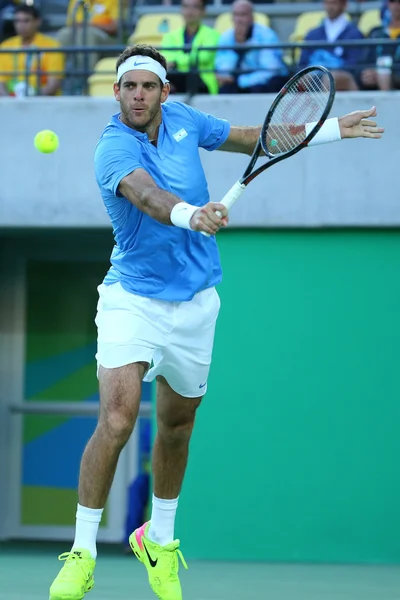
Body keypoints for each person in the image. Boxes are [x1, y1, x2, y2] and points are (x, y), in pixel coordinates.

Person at [48, 43, 384, 600]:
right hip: (133, 300)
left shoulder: (185, 121)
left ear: (164, 93)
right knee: (118, 416)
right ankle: (82, 552)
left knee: (178, 426)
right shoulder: (111, 148)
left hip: (197, 302)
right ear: (116, 92)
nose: (138, 95)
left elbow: (255, 138)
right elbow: (149, 197)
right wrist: (192, 214)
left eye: (148, 86)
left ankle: (160, 539)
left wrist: (333, 131)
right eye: (128, 86)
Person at [215, 0, 288, 94]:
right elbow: (224, 72)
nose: (239, 19)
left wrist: (240, 81)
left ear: (252, 17)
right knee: (226, 89)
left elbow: (269, 71)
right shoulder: (226, 37)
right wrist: (238, 47)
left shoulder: (266, 35)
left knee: (262, 87)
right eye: (236, 15)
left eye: (243, 14)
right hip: (239, 81)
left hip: (261, 82)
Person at [299, 0, 364, 91]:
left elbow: (353, 65)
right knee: (302, 79)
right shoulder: (312, 34)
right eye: (327, 3)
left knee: (330, 78)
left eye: (334, 3)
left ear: (344, 5)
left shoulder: (355, 34)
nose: (330, 7)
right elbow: (303, 63)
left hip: (342, 78)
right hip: (314, 77)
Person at [0, 4, 64, 97]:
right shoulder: (5, 47)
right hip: (12, 103)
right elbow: (1, 83)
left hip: (43, 102)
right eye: (17, 21)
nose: (21, 25)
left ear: (37, 22)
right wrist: (12, 103)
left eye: (26, 21)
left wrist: (31, 100)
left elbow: (53, 84)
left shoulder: (52, 46)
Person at [161, 0, 220, 94]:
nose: (190, 11)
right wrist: (191, 56)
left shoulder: (213, 35)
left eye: (195, 7)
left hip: (204, 84)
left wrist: (177, 61)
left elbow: (203, 58)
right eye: (186, 6)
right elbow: (167, 60)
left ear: (203, 11)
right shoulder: (170, 36)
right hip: (177, 83)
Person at [57, 0, 119, 73]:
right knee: (64, 34)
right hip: (81, 33)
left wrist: (90, 24)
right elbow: (73, 23)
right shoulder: (77, 1)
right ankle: (60, 75)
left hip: (109, 38)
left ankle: (88, 76)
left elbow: (114, 27)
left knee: (88, 33)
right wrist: (89, 24)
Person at [361, 0, 400, 91]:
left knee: (384, 74)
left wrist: (387, 74)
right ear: (388, 4)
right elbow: (362, 63)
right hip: (372, 88)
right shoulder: (376, 33)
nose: (396, 5)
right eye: (392, 1)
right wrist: (367, 73)